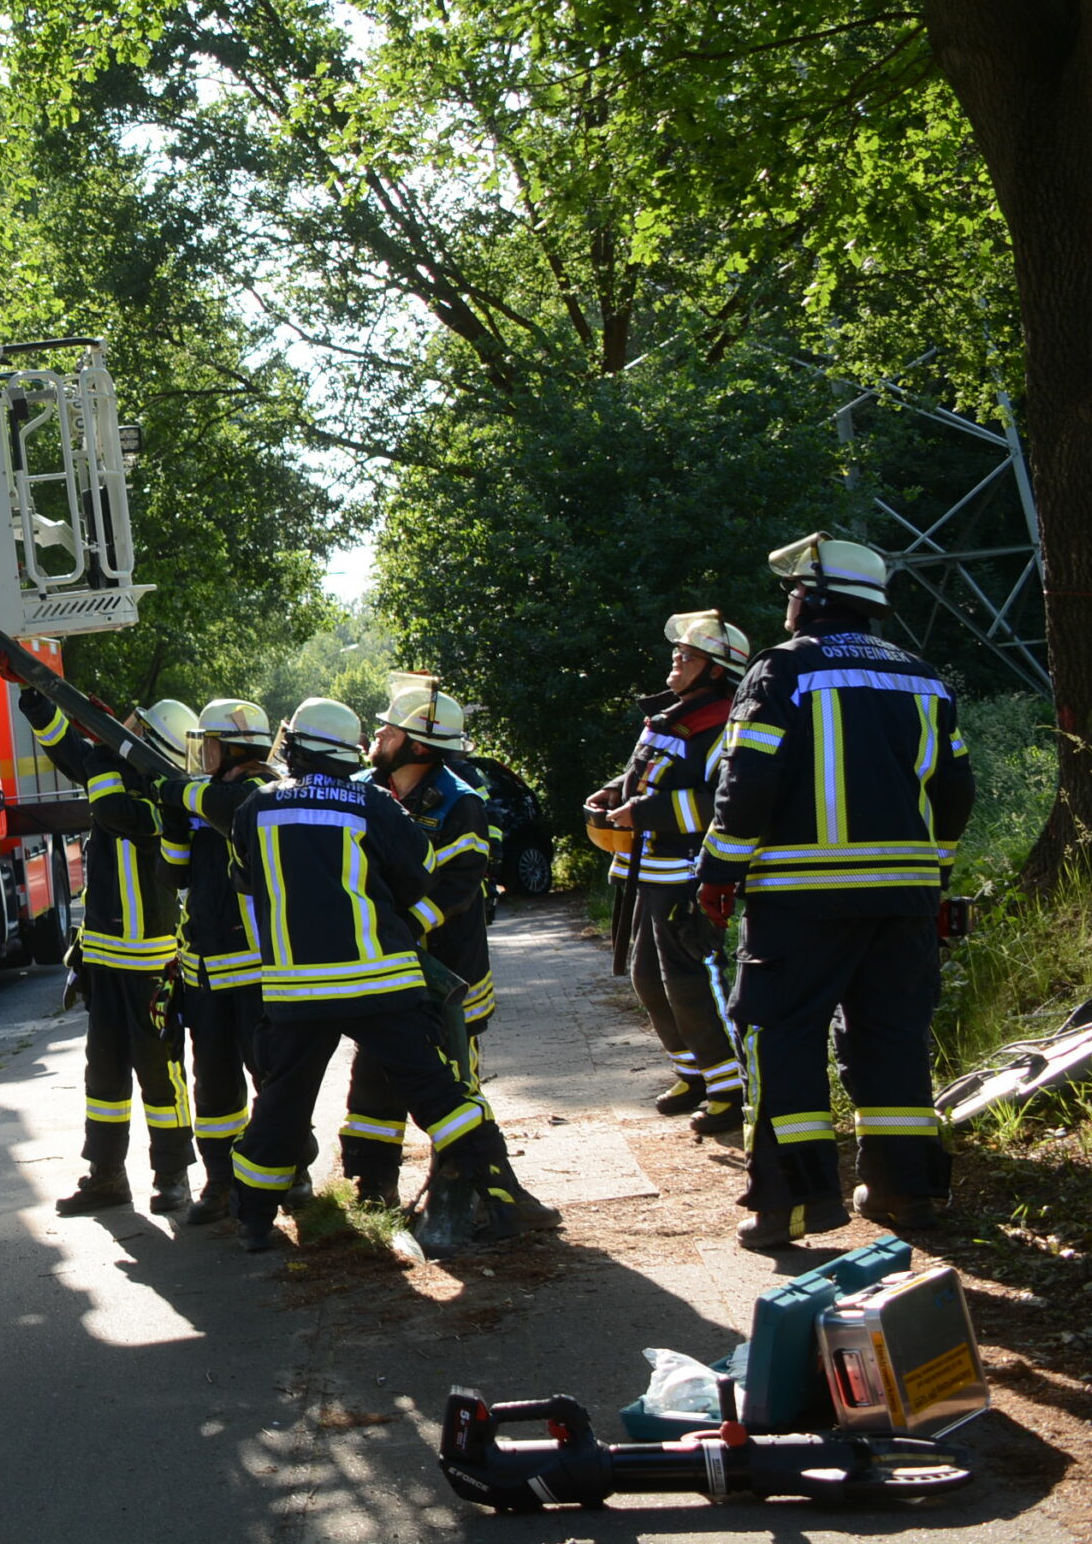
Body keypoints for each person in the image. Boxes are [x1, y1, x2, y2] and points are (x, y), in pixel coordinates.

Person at [697, 534, 976, 1249]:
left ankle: (794, 1205)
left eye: (794, 592)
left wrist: (720, 871)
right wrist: (933, 872)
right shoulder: (922, 675)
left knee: (781, 1038)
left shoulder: (782, 668)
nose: (788, 605)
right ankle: (905, 1193)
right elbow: (955, 789)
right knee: (891, 1039)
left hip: (800, 899)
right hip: (906, 899)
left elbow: (747, 778)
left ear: (815, 599)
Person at [226, 698, 551, 1253]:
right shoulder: (370, 800)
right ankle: (501, 1198)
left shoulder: (255, 805)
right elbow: (421, 872)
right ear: (343, 751)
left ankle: (253, 1222)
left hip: (295, 987)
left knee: (281, 1104)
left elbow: (247, 886)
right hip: (380, 978)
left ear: (296, 745)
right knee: (435, 1091)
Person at [334, 676, 519, 1211]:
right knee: (374, 1076)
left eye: (389, 729)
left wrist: (406, 928)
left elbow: (460, 886)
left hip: (448, 972)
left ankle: (462, 1185)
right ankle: (373, 1187)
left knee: (453, 1079)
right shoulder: (367, 787)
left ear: (417, 745)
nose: (379, 734)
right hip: (387, 968)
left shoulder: (459, 804)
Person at [20, 689, 198, 1217]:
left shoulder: (165, 800)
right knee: (104, 1076)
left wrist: (100, 751)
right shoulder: (112, 773)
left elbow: (111, 807)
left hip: (151, 967)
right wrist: (38, 699)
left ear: (154, 747)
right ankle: (106, 1176)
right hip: (103, 961)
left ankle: (172, 1176)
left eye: (135, 729)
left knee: (161, 1075)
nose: (125, 730)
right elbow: (68, 750)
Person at [588, 612, 750, 1133]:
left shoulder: (726, 722)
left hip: (687, 872)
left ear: (716, 671)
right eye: (677, 654)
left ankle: (731, 1090)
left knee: (689, 982)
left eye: (687, 656)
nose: (675, 663)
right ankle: (693, 1074)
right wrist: (617, 789)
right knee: (646, 979)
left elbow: (721, 801)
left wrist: (645, 813)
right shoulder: (676, 715)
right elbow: (652, 766)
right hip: (646, 871)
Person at [157, 699, 283, 1224]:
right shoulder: (202, 798)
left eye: (209, 742)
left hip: (255, 969)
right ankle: (221, 1180)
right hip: (204, 970)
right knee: (213, 1083)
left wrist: (179, 794)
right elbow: (175, 874)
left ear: (235, 748)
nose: (202, 752)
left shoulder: (261, 791)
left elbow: (230, 804)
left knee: (272, 1074)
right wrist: (173, 818)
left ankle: (289, 1170)